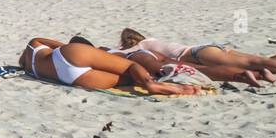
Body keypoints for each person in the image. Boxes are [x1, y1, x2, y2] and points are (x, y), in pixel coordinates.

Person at [20, 37, 202, 96]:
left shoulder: (31, 64)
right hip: (72, 53)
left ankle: (151, 84)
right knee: (131, 66)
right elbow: (59, 44)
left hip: (70, 78)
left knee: (129, 79)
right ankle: (151, 83)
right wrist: (82, 49)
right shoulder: (34, 43)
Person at [118, 28, 276, 79]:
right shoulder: (151, 39)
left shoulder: (142, 45)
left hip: (196, 53)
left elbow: (124, 54)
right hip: (207, 47)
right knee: (257, 60)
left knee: (254, 62)